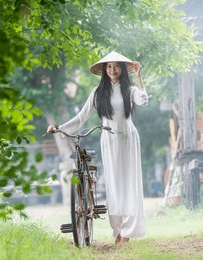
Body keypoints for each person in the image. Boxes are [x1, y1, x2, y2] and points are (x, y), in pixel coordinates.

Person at [47, 51, 148, 246]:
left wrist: (139, 76)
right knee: (113, 186)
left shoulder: (130, 90)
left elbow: (144, 101)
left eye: (116, 66)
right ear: (104, 70)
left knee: (129, 184)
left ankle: (127, 233)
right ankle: (118, 230)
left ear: (122, 69)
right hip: (108, 141)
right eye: (109, 67)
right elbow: (80, 118)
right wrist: (59, 128)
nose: (112, 70)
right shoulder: (97, 92)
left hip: (128, 139)